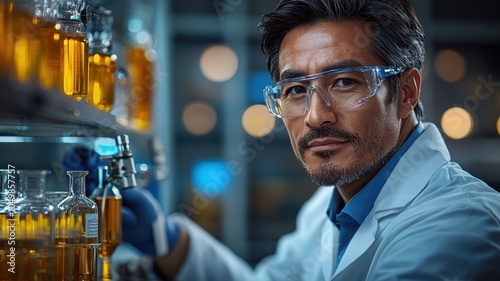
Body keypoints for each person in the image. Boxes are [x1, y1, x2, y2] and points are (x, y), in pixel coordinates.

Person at [120, 0, 500, 280]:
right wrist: (167, 242)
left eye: (345, 82)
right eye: (296, 89)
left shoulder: (460, 226)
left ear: (406, 92)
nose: (316, 116)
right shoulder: (329, 206)